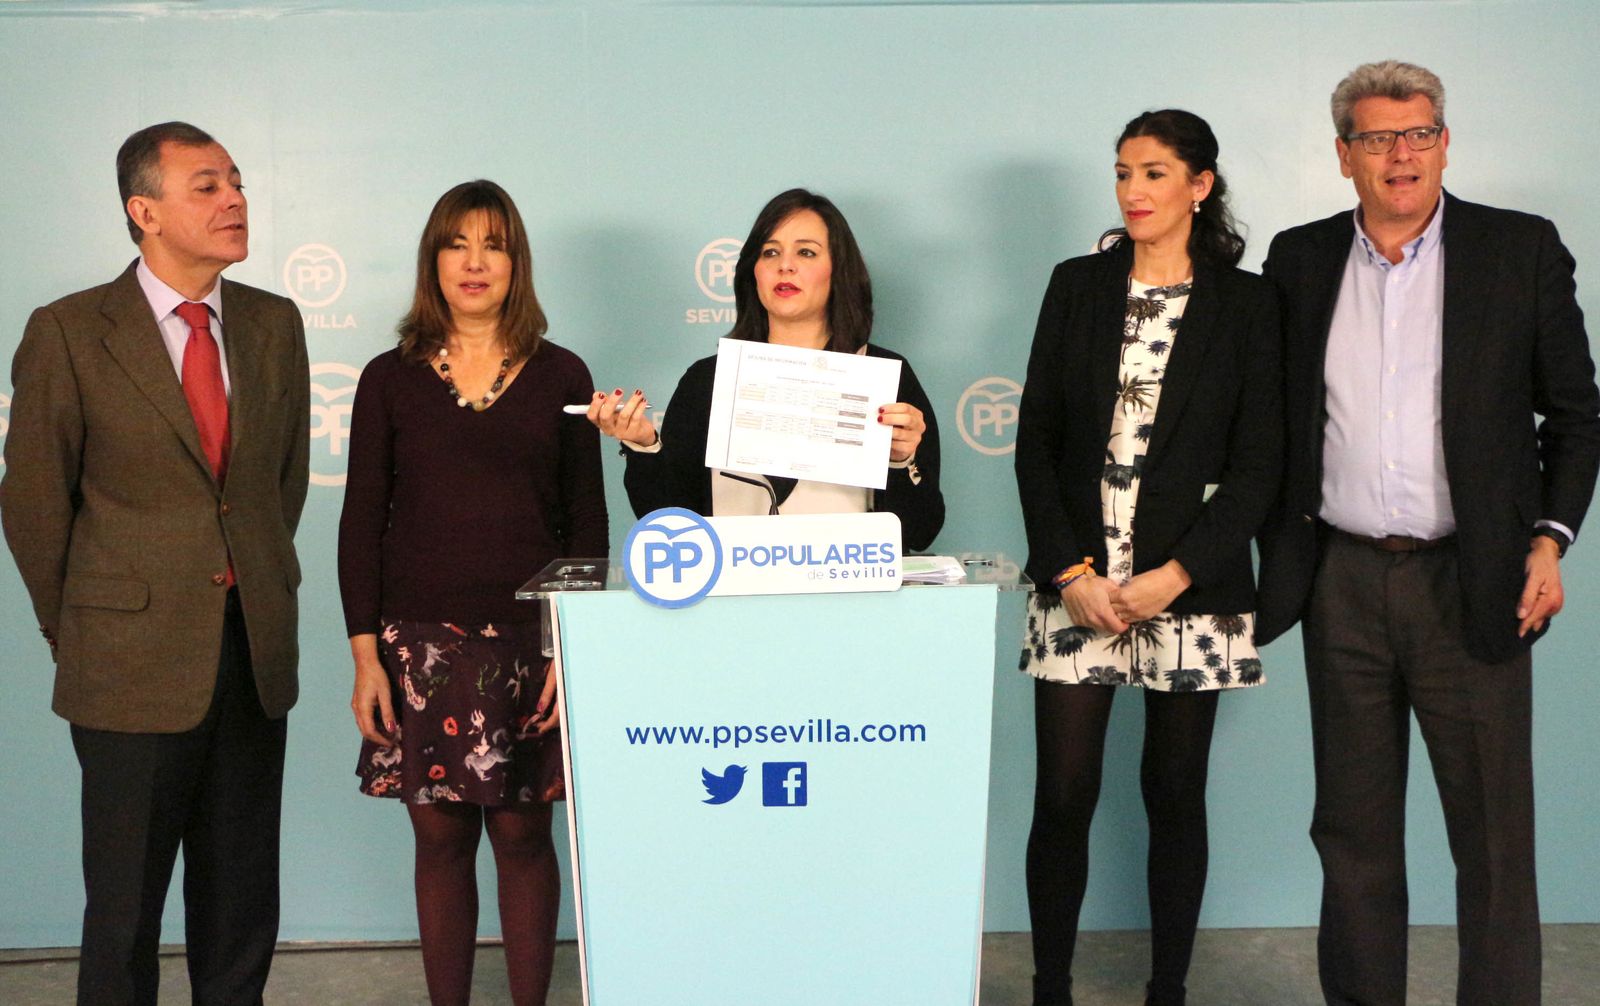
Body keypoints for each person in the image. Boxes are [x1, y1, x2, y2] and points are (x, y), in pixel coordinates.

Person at [1255, 60, 1600, 1006]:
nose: (1399, 155)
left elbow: (1578, 415)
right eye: (1375, 138)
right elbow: (1259, 412)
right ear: (1343, 156)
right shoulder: (1297, 258)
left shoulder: (1519, 249)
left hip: (1476, 576)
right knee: (1353, 835)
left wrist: (1549, 539)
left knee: (1492, 838)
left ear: (1445, 142)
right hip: (1342, 581)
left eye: (1418, 134)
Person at [0, 121, 309, 1005]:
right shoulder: (67, 331)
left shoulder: (274, 324)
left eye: (237, 181)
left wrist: (245, 575)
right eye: (206, 185)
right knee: (126, 910)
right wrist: (86, 628)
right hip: (125, 666)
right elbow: (33, 503)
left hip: (251, 655)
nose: (235, 199)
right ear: (145, 211)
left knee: (243, 903)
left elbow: (275, 489)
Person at [1013, 109, 1282, 1006]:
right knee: (1063, 796)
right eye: (1124, 171)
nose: (1133, 190)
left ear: (1201, 186)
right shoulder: (1077, 286)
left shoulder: (1247, 304)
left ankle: (1167, 990)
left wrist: (1176, 575)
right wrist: (1071, 575)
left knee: (1174, 795)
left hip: (1191, 592)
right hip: (1076, 585)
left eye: (1157, 173)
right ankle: (1052, 987)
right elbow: (1036, 444)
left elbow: (1261, 465)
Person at [338, 180, 607, 1006]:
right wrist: (365, 657)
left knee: (525, 839)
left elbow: (587, 524)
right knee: (440, 841)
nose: (476, 261)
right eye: (458, 243)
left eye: (494, 244)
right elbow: (360, 522)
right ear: (434, 260)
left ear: (517, 262)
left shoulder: (563, 372)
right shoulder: (390, 377)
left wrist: (572, 645)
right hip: (419, 644)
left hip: (531, 644)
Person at [586, 187, 943, 545]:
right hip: (736, 593)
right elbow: (672, 525)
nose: (784, 265)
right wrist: (644, 445)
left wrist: (900, 460)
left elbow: (920, 531)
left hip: (852, 592)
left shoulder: (883, 374)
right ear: (752, 272)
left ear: (839, 270)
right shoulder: (708, 380)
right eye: (770, 252)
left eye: (806, 252)